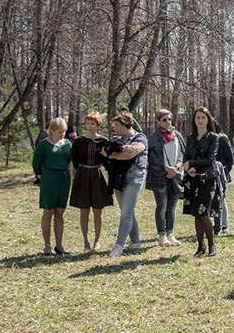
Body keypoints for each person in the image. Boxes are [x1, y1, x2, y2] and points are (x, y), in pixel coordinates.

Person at [103, 112, 148, 258]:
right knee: (126, 210)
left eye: (116, 126)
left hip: (135, 178)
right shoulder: (116, 138)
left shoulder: (140, 138)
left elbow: (130, 154)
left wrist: (115, 152)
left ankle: (119, 246)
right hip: (118, 179)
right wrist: (115, 152)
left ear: (124, 125)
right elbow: (104, 151)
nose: (113, 129)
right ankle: (135, 242)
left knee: (126, 212)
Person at [69, 111, 112, 252]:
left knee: (98, 211)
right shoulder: (78, 141)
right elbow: (74, 161)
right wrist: (79, 173)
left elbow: (108, 161)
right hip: (82, 176)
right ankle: (86, 241)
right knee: (84, 211)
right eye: (87, 123)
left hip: (98, 176)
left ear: (98, 125)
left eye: (92, 123)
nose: (89, 126)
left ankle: (97, 241)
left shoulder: (104, 141)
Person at [182, 106, 219, 257]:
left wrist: (192, 164)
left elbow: (210, 159)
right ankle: (200, 246)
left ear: (208, 120)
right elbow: (186, 157)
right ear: (194, 120)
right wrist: (187, 166)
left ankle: (211, 245)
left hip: (207, 179)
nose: (200, 120)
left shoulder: (213, 138)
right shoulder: (190, 138)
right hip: (192, 180)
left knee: (204, 214)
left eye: (203, 117)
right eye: (197, 117)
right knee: (196, 214)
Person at [32, 117, 73, 256]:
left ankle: (59, 246)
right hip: (49, 180)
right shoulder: (43, 144)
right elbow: (36, 163)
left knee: (60, 213)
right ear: (52, 130)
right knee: (48, 212)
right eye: (60, 131)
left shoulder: (68, 143)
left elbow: (70, 161)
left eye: (64, 131)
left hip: (64, 180)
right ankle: (47, 246)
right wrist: (41, 176)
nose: (63, 134)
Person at [146, 109, 185, 247]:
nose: (168, 122)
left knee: (172, 207)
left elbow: (183, 154)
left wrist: (177, 167)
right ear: (158, 121)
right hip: (160, 177)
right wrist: (166, 169)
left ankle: (170, 233)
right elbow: (151, 158)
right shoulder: (154, 137)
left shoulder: (178, 135)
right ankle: (162, 235)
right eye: (164, 120)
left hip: (176, 176)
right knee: (162, 206)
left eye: (169, 119)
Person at [213, 120, 234, 235]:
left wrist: (224, 174)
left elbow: (230, 160)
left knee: (222, 198)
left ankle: (225, 226)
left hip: (221, 174)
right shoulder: (207, 138)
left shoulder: (222, 138)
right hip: (210, 174)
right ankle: (217, 225)